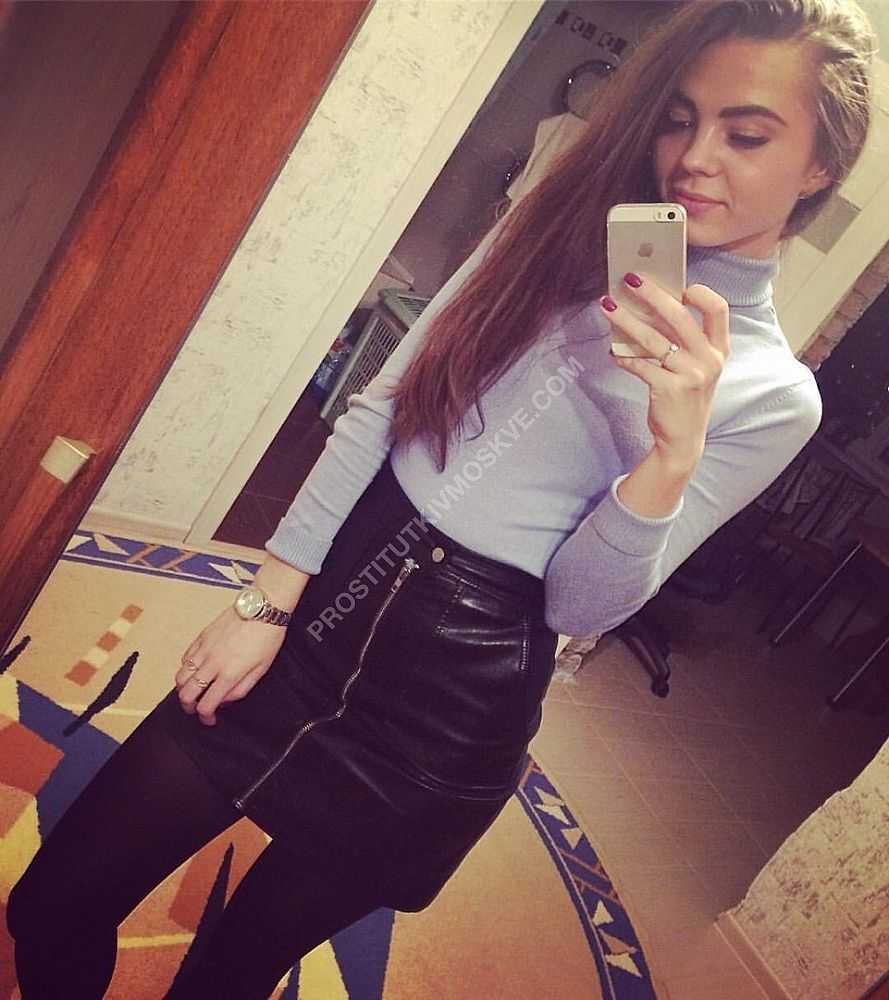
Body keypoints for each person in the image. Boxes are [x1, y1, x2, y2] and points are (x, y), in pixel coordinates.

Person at [7, 1, 877, 996]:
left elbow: (579, 607)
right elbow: (384, 407)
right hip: (331, 599)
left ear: (819, 166)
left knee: (230, 974)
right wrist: (267, 599)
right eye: (679, 118)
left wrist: (670, 455)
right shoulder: (559, 229)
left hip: (451, 704)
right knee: (54, 902)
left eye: (747, 134)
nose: (693, 157)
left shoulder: (773, 395)